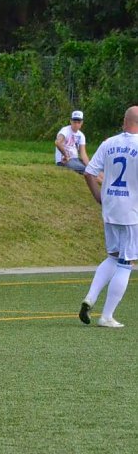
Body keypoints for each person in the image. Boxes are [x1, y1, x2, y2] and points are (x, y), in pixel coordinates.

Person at [78, 106, 138, 328]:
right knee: (126, 263)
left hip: (110, 209)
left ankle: (90, 298)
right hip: (131, 212)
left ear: (124, 121)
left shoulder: (108, 143)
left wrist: (98, 196)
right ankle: (107, 316)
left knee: (112, 256)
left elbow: (88, 172)